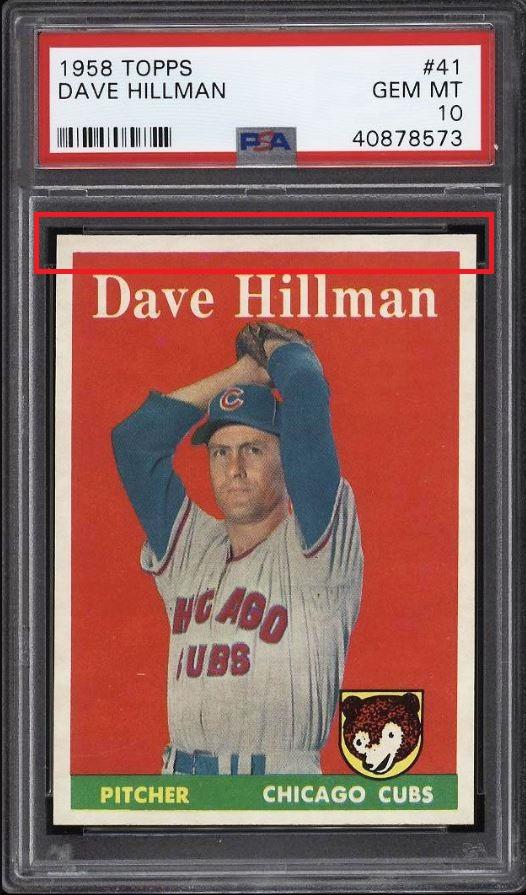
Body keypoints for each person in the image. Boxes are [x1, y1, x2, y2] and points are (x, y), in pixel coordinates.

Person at [111, 324, 363, 775]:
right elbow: (135, 443)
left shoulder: (317, 548)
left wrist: (279, 349)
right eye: (220, 452)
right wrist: (244, 373)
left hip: (279, 782)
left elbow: (306, 394)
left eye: (253, 449)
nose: (235, 469)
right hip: (181, 782)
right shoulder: (192, 548)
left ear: (287, 457)